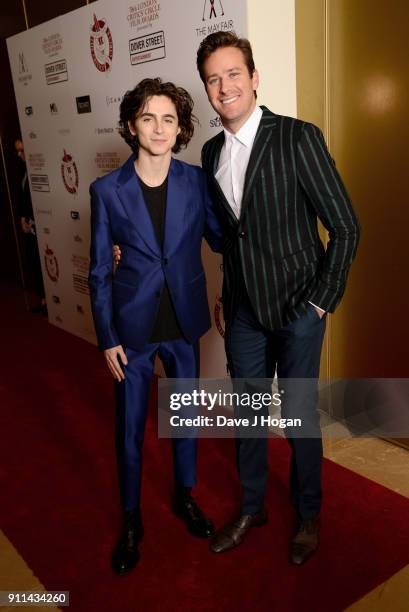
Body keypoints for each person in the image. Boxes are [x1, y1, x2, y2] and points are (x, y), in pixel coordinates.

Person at [196, 31, 360, 564]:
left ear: (254, 77)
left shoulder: (297, 137)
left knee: (298, 417)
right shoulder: (210, 151)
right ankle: (252, 507)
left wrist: (320, 303)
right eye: (213, 79)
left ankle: (307, 512)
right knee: (247, 415)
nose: (224, 87)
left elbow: (346, 227)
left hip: (298, 310)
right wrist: (225, 294)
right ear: (207, 88)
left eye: (233, 74)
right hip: (244, 311)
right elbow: (228, 238)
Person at [88, 78, 222, 575]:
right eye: (148, 117)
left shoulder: (195, 181)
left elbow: (220, 238)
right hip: (132, 332)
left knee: (185, 420)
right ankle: (130, 519)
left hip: (184, 323)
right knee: (128, 431)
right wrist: (107, 337)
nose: (159, 127)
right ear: (131, 125)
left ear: (181, 127)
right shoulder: (107, 191)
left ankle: (184, 496)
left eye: (169, 118)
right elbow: (100, 270)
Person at [14, 138, 46, 315]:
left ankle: (48, 301)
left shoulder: (39, 170)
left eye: (22, 150)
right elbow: (22, 199)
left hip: (41, 227)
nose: (19, 155)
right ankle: (44, 300)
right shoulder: (24, 172)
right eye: (17, 151)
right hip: (30, 229)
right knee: (35, 262)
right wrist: (22, 219)